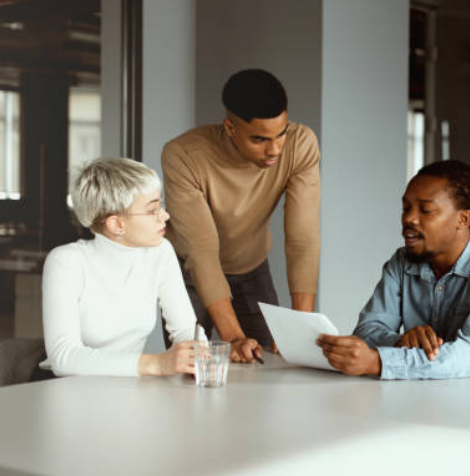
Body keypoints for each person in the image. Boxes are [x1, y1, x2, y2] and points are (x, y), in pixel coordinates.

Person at [162, 69, 320, 364]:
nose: (274, 149)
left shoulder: (301, 144)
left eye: (281, 134)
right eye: (260, 139)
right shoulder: (183, 154)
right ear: (230, 128)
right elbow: (202, 251)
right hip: (189, 272)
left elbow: (303, 238)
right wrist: (233, 337)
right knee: (191, 368)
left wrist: (301, 326)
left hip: (251, 267)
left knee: (271, 364)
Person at [317, 160, 470, 379]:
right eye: (406, 207)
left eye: (426, 210)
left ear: (463, 219)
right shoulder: (401, 262)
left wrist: (379, 362)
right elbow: (367, 331)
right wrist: (400, 341)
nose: (408, 218)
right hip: (422, 400)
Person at [41, 158, 197, 377]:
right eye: (153, 210)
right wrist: (158, 364)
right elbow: (64, 358)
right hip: (70, 391)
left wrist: (197, 354)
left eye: (160, 205)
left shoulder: (160, 251)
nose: (165, 216)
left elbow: (185, 330)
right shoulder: (66, 261)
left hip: (129, 389)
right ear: (116, 224)